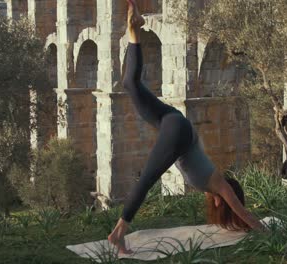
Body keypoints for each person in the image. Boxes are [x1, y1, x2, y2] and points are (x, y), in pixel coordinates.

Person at [107, 0, 267, 255]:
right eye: (224, 202)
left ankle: (134, 30)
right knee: (147, 179)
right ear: (221, 200)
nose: (217, 203)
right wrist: (264, 231)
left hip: (174, 123)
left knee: (130, 83)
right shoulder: (220, 186)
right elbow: (241, 211)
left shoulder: (211, 184)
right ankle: (118, 235)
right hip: (178, 130)